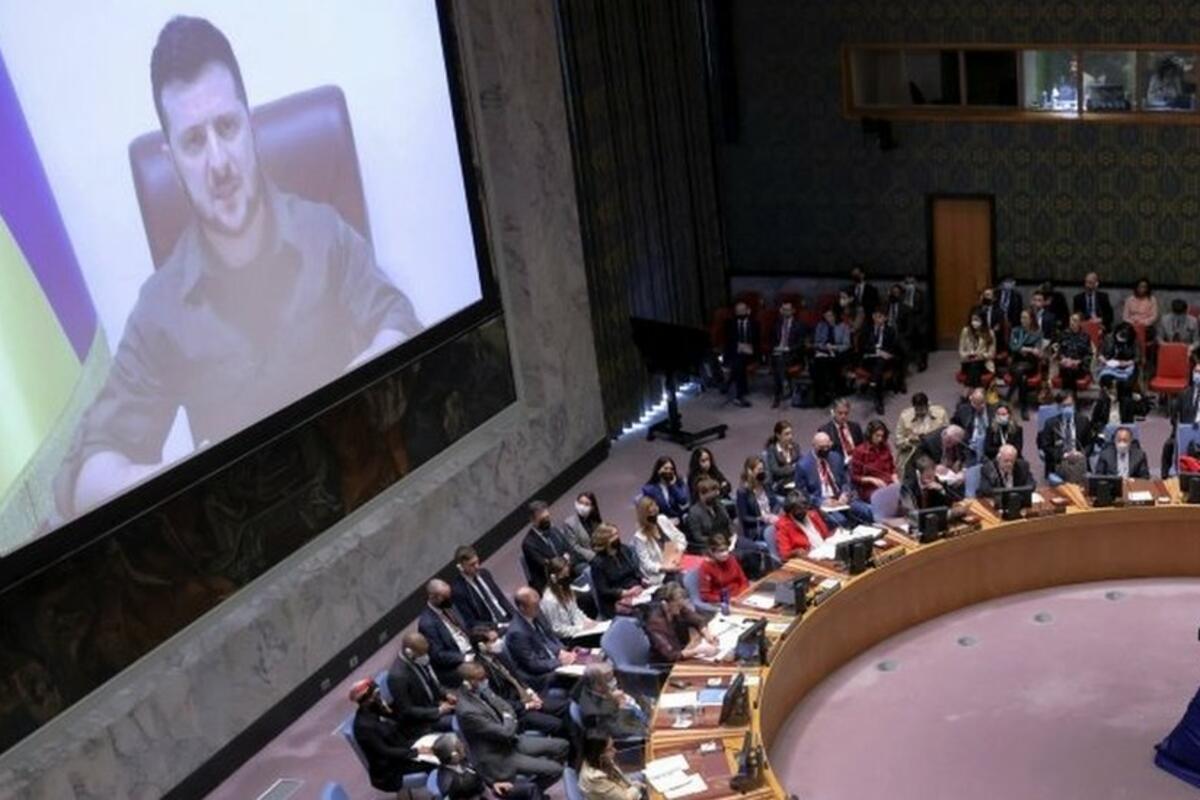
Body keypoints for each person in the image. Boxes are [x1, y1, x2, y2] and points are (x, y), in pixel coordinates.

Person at [56, 16, 423, 516]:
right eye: (193, 141)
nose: (219, 163)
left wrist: (355, 391)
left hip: (357, 494)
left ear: (250, 127)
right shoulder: (160, 308)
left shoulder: (323, 232)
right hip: (253, 532)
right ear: (172, 159)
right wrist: (179, 481)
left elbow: (399, 320)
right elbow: (85, 471)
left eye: (226, 128)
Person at [454, 663, 569, 790]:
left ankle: (537, 775)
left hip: (512, 742)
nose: (485, 681)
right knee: (556, 770)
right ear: (467, 683)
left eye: (485, 677)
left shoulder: (482, 691)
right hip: (500, 757)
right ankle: (530, 792)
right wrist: (509, 719)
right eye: (480, 679)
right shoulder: (467, 711)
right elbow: (506, 731)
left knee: (563, 746)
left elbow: (507, 708)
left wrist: (508, 719)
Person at [468, 625, 567, 736]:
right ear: (481, 646)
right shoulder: (480, 670)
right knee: (557, 724)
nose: (500, 642)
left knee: (566, 707)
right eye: (494, 640)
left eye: (498, 638)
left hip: (527, 699)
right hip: (517, 712)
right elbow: (497, 702)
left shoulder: (500, 656)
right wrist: (526, 706)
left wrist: (531, 693)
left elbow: (517, 678)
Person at [348, 677, 430, 791]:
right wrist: (415, 752)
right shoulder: (364, 727)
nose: (380, 697)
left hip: (400, 753)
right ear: (368, 699)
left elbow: (399, 723)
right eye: (377, 694)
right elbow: (385, 751)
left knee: (434, 745)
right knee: (436, 759)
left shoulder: (376, 710)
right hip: (390, 772)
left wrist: (389, 712)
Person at [795, 432, 874, 528]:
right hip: (823, 503)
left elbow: (846, 481)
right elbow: (801, 494)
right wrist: (822, 502)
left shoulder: (836, 457)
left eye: (827, 447)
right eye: (822, 447)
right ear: (814, 445)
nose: (825, 450)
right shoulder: (803, 465)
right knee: (841, 520)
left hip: (841, 499)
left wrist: (845, 493)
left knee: (868, 512)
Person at [505, 587, 577, 693]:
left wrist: (560, 651)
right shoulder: (517, 633)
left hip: (552, 661)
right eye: (535, 605)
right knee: (581, 679)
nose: (539, 608)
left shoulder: (537, 615)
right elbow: (533, 665)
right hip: (540, 677)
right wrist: (559, 662)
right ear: (522, 607)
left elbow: (549, 637)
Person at [432, 733, 543, 800]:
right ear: (454, 755)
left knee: (531, 789)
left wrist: (493, 784)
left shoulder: (462, 759)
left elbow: (479, 774)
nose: (463, 745)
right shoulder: (448, 782)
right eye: (459, 745)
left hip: (490, 792)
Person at [387, 632, 456, 738]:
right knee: (463, 721)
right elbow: (407, 710)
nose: (425, 657)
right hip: (422, 723)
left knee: (468, 709)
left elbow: (432, 683)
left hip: (436, 706)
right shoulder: (397, 677)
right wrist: (438, 710)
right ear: (409, 653)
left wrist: (446, 695)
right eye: (421, 654)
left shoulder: (419, 660)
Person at [643, 584, 719, 664]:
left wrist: (707, 635)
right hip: (667, 664)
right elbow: (671, 655)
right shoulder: (656, 623)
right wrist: (698, 651)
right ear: (665, 603)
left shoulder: (677, 608)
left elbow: (698, 620)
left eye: (681, 604)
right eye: (678, 605)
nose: (681, 608)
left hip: (683, 650)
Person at [419, 579, 476, 686]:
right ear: (433, 597)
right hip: (456, 662)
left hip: (471, 649)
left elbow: (466, 628)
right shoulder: (427, 624)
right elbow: (438, 655)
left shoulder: (448, 606)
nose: (450, 600)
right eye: (445, 597)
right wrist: (464, 658)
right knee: (480, 672)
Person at [573, 663, 648, 742]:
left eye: (613, 677)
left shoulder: (605, 692)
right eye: (609, 680)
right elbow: (621, 730)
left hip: (644, 720)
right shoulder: (596, 711)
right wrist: (620, 707)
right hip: (636, 736)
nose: (614, 682)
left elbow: (641, 701)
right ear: (597, 685)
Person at [452, 545, 516, 631]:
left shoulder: (484, 573)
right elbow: (471, 622)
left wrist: (516, 616)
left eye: (477, 562)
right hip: (491, 628)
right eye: (472, 565)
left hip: (507, 618)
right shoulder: (458, 590)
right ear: (461, 567)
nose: (477, 567)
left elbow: (501, 598)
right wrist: (497, 626)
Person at [589, 524, 646, 618]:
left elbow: (635, 570)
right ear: (604, 540)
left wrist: (642, 579)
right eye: (613, 536)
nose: (617, 537)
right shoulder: (597, 563)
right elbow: (604, 590)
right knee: (643, 612)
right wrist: (626, 593)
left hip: (636, 591)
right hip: (615, 600)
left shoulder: (624, 550)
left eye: (617, 533)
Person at [540, 557, 601, 642]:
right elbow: (557, 630)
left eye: (568, 575)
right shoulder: (549, 600)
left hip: (578, 632)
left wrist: (589, 622)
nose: (567, 578)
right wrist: (581, 628)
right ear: (554, 578)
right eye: (564, 576)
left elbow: (575, 612)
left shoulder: (567, 589)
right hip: (566, 640)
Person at [522, 501, 578, 593]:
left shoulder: (554, 530)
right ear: (533, 520)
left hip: (569, 571)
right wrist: (565, 560)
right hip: (550, 582)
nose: (548, 522)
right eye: (543, 519)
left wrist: (568, 564)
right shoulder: (528, 544)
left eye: (548, 517)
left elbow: (570, 550)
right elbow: (546, 566)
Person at [632, 496, 686, 586]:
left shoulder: (662, 519)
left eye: (655, 506)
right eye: (651, 510)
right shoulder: (640, 537)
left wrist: (679, 551)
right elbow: (647, 564)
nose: (655, 510)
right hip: (662, 572)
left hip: (677, 558)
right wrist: (666, 568)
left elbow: (680, 537)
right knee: (683, 580)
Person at [857, 307, 902, 414]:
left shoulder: (890, 330)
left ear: (885, 318)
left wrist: (887, 354)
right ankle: (874, 383)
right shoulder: (867, 330)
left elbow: (893, 347)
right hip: (870, 358)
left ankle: (878, 399)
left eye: (879, 317)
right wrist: (878, 351)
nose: (877, 319)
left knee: (880, 363)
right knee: (878, 367)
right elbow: (862, 346)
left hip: (885, 360)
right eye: (875, 316)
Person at [1037, 394, 1090, 480]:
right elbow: (1045, 446)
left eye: (1070, 405)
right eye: (1064, 406)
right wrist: (1063, 455)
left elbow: (1089, 443)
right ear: (1059, 407)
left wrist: (1081, 454)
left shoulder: (1084, 421)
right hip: (1058, 462)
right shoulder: (1050, 424)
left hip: (1079, 461)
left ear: (1074, 405)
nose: (1067, 408)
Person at [578, 734, 646, 800]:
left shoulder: (598, 759)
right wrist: (637, 786)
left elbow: (621, 777)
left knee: (644, 775)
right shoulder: (594, 779)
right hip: (623, 795)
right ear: (599, 754)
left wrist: (632, 784)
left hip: (622, 788)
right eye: (610, 749)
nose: (615, 750)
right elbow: (626, 798)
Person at [895, 392, 949, 473]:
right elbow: (898, 441)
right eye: (917, 409)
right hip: (914, 452)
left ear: (928, 405)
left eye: (922, 409)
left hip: (936, 450)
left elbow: (948, 434)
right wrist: (909, 441)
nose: (920, 412)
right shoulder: (904, 417)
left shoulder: (941, 413)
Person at [914, 425, 975, 494]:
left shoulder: (960, 438)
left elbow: (969, 454)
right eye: (947, 442)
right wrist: (934, 466)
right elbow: (919, 458)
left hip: (955, 474)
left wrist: (963, 470)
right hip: (937, 477)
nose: (949, 445)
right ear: (944, 434)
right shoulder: (928, 442)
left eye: (953, 443)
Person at [1007, 308, 1044, 419]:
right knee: (1022, 377)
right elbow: (1012, 347)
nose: (1022, 320)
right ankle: (1024, 407)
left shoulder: (1037, 333)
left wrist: (1023, 349)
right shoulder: (1016, 331)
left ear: (1031, 319)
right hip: (1016, 363)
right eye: (1021, 317)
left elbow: (1038, 351)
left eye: (1025, 318)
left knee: (1021, 372)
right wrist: (1029, 349)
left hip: (1030, 364)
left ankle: (1008, 396)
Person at [811, 307, 852, 406]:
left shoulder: (843, 327)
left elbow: (846, 345)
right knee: (818, 363)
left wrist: (834, 347)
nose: (828, 318)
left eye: (830, 316)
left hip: (838, 353)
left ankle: (826, 393)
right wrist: (824, 346)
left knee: (825, 364)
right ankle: (822, 394)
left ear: (835, 315)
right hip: (823, 352)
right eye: (826, 316)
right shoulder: (821, 326)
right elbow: (816, 342)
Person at [770, 299, 806, 408]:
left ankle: (778, 393)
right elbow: (772, 341)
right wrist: (776, 347)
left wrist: (788, 348)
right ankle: (784, 384)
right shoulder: (776, 324)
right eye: (784, 309)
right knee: (778, 358)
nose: (785, 312)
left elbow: (801, 344)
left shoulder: (799, 325)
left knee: (778, 360)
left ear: (793, 311)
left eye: (788, 310)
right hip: (778, 352)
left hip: (793, 354)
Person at [850, 419, 898, 501]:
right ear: (870, 434)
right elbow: (855, 477)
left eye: (882, 436)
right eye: (877, 436)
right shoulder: (860, 451)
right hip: (870, 488)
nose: (880, 439)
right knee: (886, 500)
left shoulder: (885, 447)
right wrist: (872, 480)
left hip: (888, 484)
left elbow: (892, 469)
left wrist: (895, 479)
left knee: (906, 496)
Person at [735, 455, 780, 543]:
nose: (762, 472)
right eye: (759, 470)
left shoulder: (766, 484)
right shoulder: (743, 492)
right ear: (750, 472)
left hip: (772, 520)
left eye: (763, 469)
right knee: (776, 531)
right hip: (756, 528)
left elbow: (775, 502)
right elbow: (745, 518)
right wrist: (762, 519)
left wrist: (772, 515)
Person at [773, 491, 832, 558]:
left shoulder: (813, 515)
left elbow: (826, 535)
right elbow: (784, 555)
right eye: (798, 509)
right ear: (790, 510)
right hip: (808, 558)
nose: (802, 511)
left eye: (804, 508)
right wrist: (795, 552)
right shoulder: (783, 525)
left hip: (826, 551)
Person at [722, 301, 758, 407]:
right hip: (736, 352)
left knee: (738, 362)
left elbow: (758, 343)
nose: (740, 313)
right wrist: (738, 347)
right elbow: (728, 343)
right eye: (738, 311)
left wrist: (750, 348)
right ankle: (739, 394)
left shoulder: (755, 324)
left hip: (750, 353)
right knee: (738, 362)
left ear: (748, 311)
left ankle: (729, 383)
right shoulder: (730, 324)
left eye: (742, 311)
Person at [685, 477, 734, 553]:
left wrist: (732, 535)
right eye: (712, 493)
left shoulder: (719, 505)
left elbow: (729, 522)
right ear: (701, 494)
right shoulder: (694, 512)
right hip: (709, 546)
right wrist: (718, 541)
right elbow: (698, 537)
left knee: (751, 548)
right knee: (740, 555)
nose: (715, 495)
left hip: (727, 540)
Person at [697, 533, 749, 603]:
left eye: (726, 550)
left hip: (740, 596)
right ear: (711, 552)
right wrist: (726, 599)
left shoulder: (732, 559)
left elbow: (743, 580)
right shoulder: (706, 567)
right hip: (722, 601)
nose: (725, 554)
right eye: (721, 551)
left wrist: (743, 593)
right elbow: (705, 595)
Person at [1089, 377, 1136, 446]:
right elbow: (1094, 422)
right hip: (1105, 433)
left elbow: (1129, 423)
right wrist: (1102, 431)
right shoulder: (1101, 402)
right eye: (1110, 389)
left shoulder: (1127, 403)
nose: (1113, 391)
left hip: (1122, 433)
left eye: (1115, 389)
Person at [640, 456, 689, 523]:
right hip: (660, 522)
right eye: (665, 468)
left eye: (671, 469)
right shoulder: (649, 489)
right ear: (658, 470)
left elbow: (683, 501)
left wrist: (672, 486)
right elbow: (649, 510)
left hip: (678, 521)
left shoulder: (679, 483)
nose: (668, 471)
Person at [1055, 312, 1093, 398]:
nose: (1072, 322)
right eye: (1071, 320)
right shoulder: (1063, 334)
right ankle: (1069, 397)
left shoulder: (1085, 336)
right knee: (1067, 369)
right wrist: (1063, 359)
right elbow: (1059, 351)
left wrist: (1078, 362)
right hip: (1065, 365)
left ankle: (1069, 397)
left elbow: (1089, 355)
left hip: (1079, 367)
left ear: (1080, 323)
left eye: (1075, 320)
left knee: (1071, 370)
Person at [952, 388, 996, 457]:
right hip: (967, 448)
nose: (976, 407)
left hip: (986, 450)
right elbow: (954, 423)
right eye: (974, 403)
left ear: (985, 401)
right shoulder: (963, 409)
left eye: (979, 404)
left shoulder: (993, 412)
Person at [959, 310, 996, 391]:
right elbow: (961, 352)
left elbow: (992, 353)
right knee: (973, 365)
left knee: (975, 365)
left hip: (984, 363)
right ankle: (977, 391)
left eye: (977, 320)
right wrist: (969, 354)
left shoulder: (990, 333)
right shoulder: (965, 331)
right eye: (973, 320)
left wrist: (981, 356)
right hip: (968, 362)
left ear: (982, 320)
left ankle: (970, 389)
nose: (974, 322)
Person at [560, 492, 601, 565]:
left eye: (586, 504)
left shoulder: (594, 520)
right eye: (580, 503)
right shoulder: (569, 523)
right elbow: (574, 547)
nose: (582, 506)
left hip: (599, 553)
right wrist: (593, 556)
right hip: (582, 559)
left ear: (592, 507)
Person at [819, 398, 863, 464]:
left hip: (856, 463)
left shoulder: (855, 427)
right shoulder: (825, 430)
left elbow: (862, 447)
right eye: (840, 413)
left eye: (846, 413)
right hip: (839, 464)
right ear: (833, 412)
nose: (843, 416)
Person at [1098, 321, 1139, 391]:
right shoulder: (1109, 338)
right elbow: (1100, 353)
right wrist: (1103, 360)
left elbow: (1137, 357)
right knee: (1105, 379)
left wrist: (1127, 363)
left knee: (1125, 385)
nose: (1121, 339)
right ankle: (1109, 395)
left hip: (1127, 366)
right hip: (1110, 366)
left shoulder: (1134, 341)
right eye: (1119, 335)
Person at [900, 274, 929, 371]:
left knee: (921, 345)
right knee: (909, 345)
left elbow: (926, 309)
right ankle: (911, 362)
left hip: (919, 323)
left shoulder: (921, 294)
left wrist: (922, 322)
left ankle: (922, 363)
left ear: (916, 283)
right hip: (907, 324)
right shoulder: (902, 295)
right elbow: (901, 310)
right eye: (907, 283)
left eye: (912, 282)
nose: (910, 285)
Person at [764, 420, 801, 494]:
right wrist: (794, 468)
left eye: (791, 433)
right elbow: (776, 470)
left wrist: (791, 468)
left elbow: (802, 464)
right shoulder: (772, 450)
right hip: (781, 484)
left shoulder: (795, 446)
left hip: (796, 480)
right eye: (787, 434)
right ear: (778, 435)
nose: (790, 436)